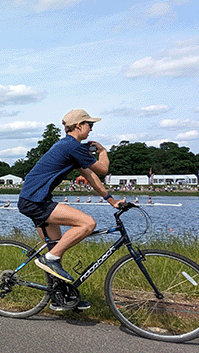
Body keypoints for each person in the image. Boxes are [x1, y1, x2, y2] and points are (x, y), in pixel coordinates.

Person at [17, 109, 121, 310]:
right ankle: (49, 259)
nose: (91, 129)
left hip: (35, 199)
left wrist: (111, 200)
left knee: (56, 248)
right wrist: (103, 152)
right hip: (35, 202)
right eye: (90, 125)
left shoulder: (70, 148)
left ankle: (59, 298)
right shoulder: (72, 146)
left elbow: (91, 177)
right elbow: (102, 169)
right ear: (79, 125)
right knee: (87, 223)